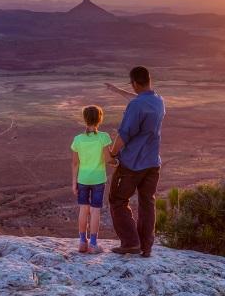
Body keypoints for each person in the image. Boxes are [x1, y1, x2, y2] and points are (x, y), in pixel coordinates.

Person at [105, 66, 166, 258]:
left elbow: (124, 134)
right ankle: (146, 246)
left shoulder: (136, 106)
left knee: (117, 200)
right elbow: (139, 100)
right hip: (152, 163)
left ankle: (131, 243)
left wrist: (113, 153)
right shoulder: (158, 100)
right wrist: (117, 91)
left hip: (132, 164)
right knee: (147, 202)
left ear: (135, 83)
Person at [70, 105, 114, 254]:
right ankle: (93, 244)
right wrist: (117, 162)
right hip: (98, 180)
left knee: (83, 209)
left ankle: (82, 242)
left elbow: (75, 163)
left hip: (83, 179)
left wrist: (74, 182)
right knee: (95, 211)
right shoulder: (104, 137)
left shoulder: (77, 140)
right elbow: (108, 159)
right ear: (99, 119)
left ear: (85, 119)